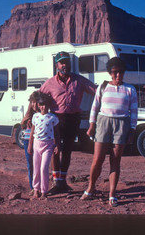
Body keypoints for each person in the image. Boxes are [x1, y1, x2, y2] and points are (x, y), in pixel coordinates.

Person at [81, 57, 137, 207]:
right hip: (103, 122)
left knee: (115, 160)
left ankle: (112, 194)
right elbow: (95, 106)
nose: (118, 75)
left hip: (122, 124)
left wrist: (132, 130)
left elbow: (134, 112)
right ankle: (90, 188)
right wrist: (91, 125)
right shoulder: (103, 87)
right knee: (98, 159)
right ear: (110, 72)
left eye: (121, 72)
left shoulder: (130, 89)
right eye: (115, 72)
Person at [38, 51, 97, 194]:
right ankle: (56, 182)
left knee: (68, 150)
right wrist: (30, 117)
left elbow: (96, 90)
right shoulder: (49, 83)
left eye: (67, 62)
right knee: (55, 151)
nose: (65, 65)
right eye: (62, 62)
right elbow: (37, 97)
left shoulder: (79, 80)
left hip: (73, 119)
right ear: (57, 65)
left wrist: (111, 87)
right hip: (56, 120)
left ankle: (62, 182)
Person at [27, 92, 60, 198]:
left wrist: (57, 145)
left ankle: (44, 191)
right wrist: (30, 145)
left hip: (48, 145)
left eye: (45, 105)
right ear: (38, 105)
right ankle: (36, 190)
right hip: (36, 145)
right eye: (41, 105)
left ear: (49, 106)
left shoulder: (52, 117)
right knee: (36, 168)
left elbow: (57, 133)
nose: (43, 107)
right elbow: (32, 132)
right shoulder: (35, 117)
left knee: (44, 168)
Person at [20, 90, 40, 196]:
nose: (34, 105)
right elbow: (22, 125)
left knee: (39, 164)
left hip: (38, 141)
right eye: (32, 102)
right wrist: (26, 122)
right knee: (30, 165)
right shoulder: (29, 115)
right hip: (27, 141)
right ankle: (32, 187)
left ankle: (39, 187)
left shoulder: (42, 114)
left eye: (36, 102)